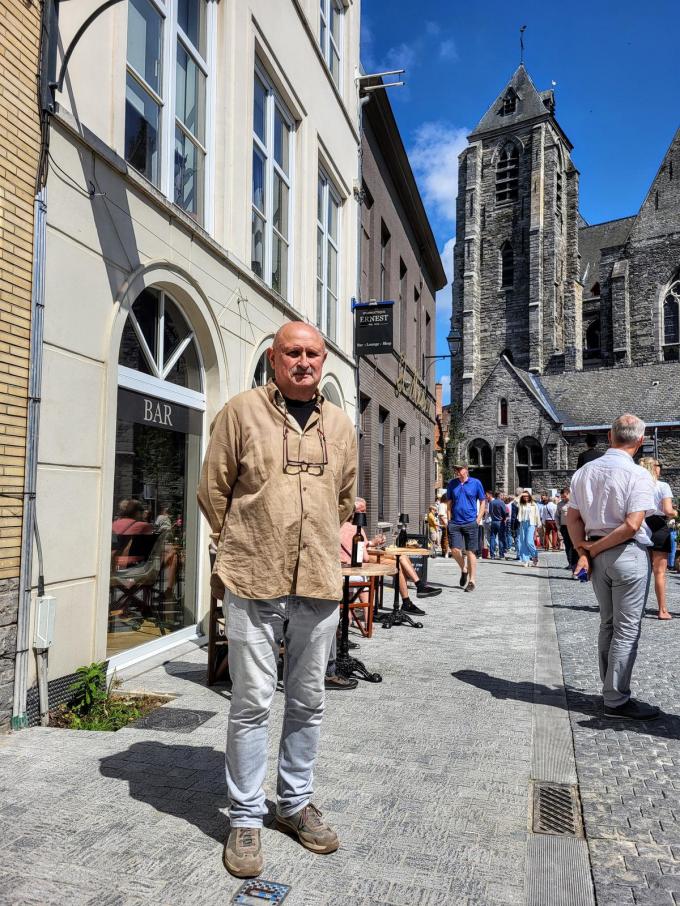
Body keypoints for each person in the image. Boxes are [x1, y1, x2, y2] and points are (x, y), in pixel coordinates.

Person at [197, 321, 356, 878]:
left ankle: (293, 804)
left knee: (308, 700)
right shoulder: (240, 413)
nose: (305, 361)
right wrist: (244, 541)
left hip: (316, 578)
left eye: (314, 353)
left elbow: (344, 498)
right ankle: (244, 816)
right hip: (252, 577)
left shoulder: (340, 425)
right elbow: (212, 490)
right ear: (274, 358)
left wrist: (311, 539)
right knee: (251, 701)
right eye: (294, 352)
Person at [568, 414, 659, 721]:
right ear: (640, 440)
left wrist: (584, 550)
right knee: (626, 629)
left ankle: (611, 692)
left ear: (610, 436)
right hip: (625, 555)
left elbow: (572, 519)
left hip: (596, 555)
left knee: (607, 623)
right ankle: (616, 700)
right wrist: (591, 548)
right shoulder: (638, 475)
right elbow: (633, 524)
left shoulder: (584, 472)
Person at [639, 457, 677, 620]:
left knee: (642, 572)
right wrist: (676, 513)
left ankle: (637, 608)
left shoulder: (638, 486)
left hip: (641, 525)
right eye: (659, 465)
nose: (660, 468)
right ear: (654, 468)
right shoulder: (663, 486)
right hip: (658, 526)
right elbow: (668, 510)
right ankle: (662, 610)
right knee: (659, 572)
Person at [447, 463, 486, 593]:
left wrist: (478, 519)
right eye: (455, 469)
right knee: (454, 550)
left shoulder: (476, 483)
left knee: (470, 552)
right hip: (455, 523)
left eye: (459, 469)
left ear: (466, 470)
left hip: (471, 522)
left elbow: (482, 501)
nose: (457, 471)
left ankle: (472, 581)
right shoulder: (452, 484)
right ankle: (464, 569)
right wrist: (449, 520)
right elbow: (449, 503)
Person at [516, 491, 540, 566]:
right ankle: (526, 560)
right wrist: (521, 494)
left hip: (531, 523)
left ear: (529, 497)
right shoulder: (521, 504)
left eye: (527, 496)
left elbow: (537, 515)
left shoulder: (534, 505)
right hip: (523, 523)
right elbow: (515, 501)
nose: (526, 497)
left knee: (529, 541)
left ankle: (534, 556)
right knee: (522, 542)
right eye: (524, 496)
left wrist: (537, 526)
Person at [556, 488, 577, 569]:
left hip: (575, 527)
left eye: (565, 496)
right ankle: (570, 563)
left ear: (569, 494)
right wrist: (559, 527)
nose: (563, 498)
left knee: (575, 546)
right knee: (568, 546)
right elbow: (557, 516)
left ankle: (576, 563)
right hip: (564, 527)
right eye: (562, 497)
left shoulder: (574, 503)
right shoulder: (560, 504)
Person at [488, 490, 508, 559]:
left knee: (492, 538)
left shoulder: (491, 502)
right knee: (501, 538)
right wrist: (504, 518)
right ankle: (501, 554)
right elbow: (505, 512)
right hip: (500, 521)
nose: (502, 496)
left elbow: (490, 512)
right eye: (502, 495)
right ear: (499, 495)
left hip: (493, 521)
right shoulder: (501, 502)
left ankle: (492, 554)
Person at [437, 493, 449, 557]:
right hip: (445, 523)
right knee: (445, 538)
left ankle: (445, 551)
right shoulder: (442, 505)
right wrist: (446, 523)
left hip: (447, 522)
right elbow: (441, 515)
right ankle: (445, 551)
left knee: (445, 537)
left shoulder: (445, 504)